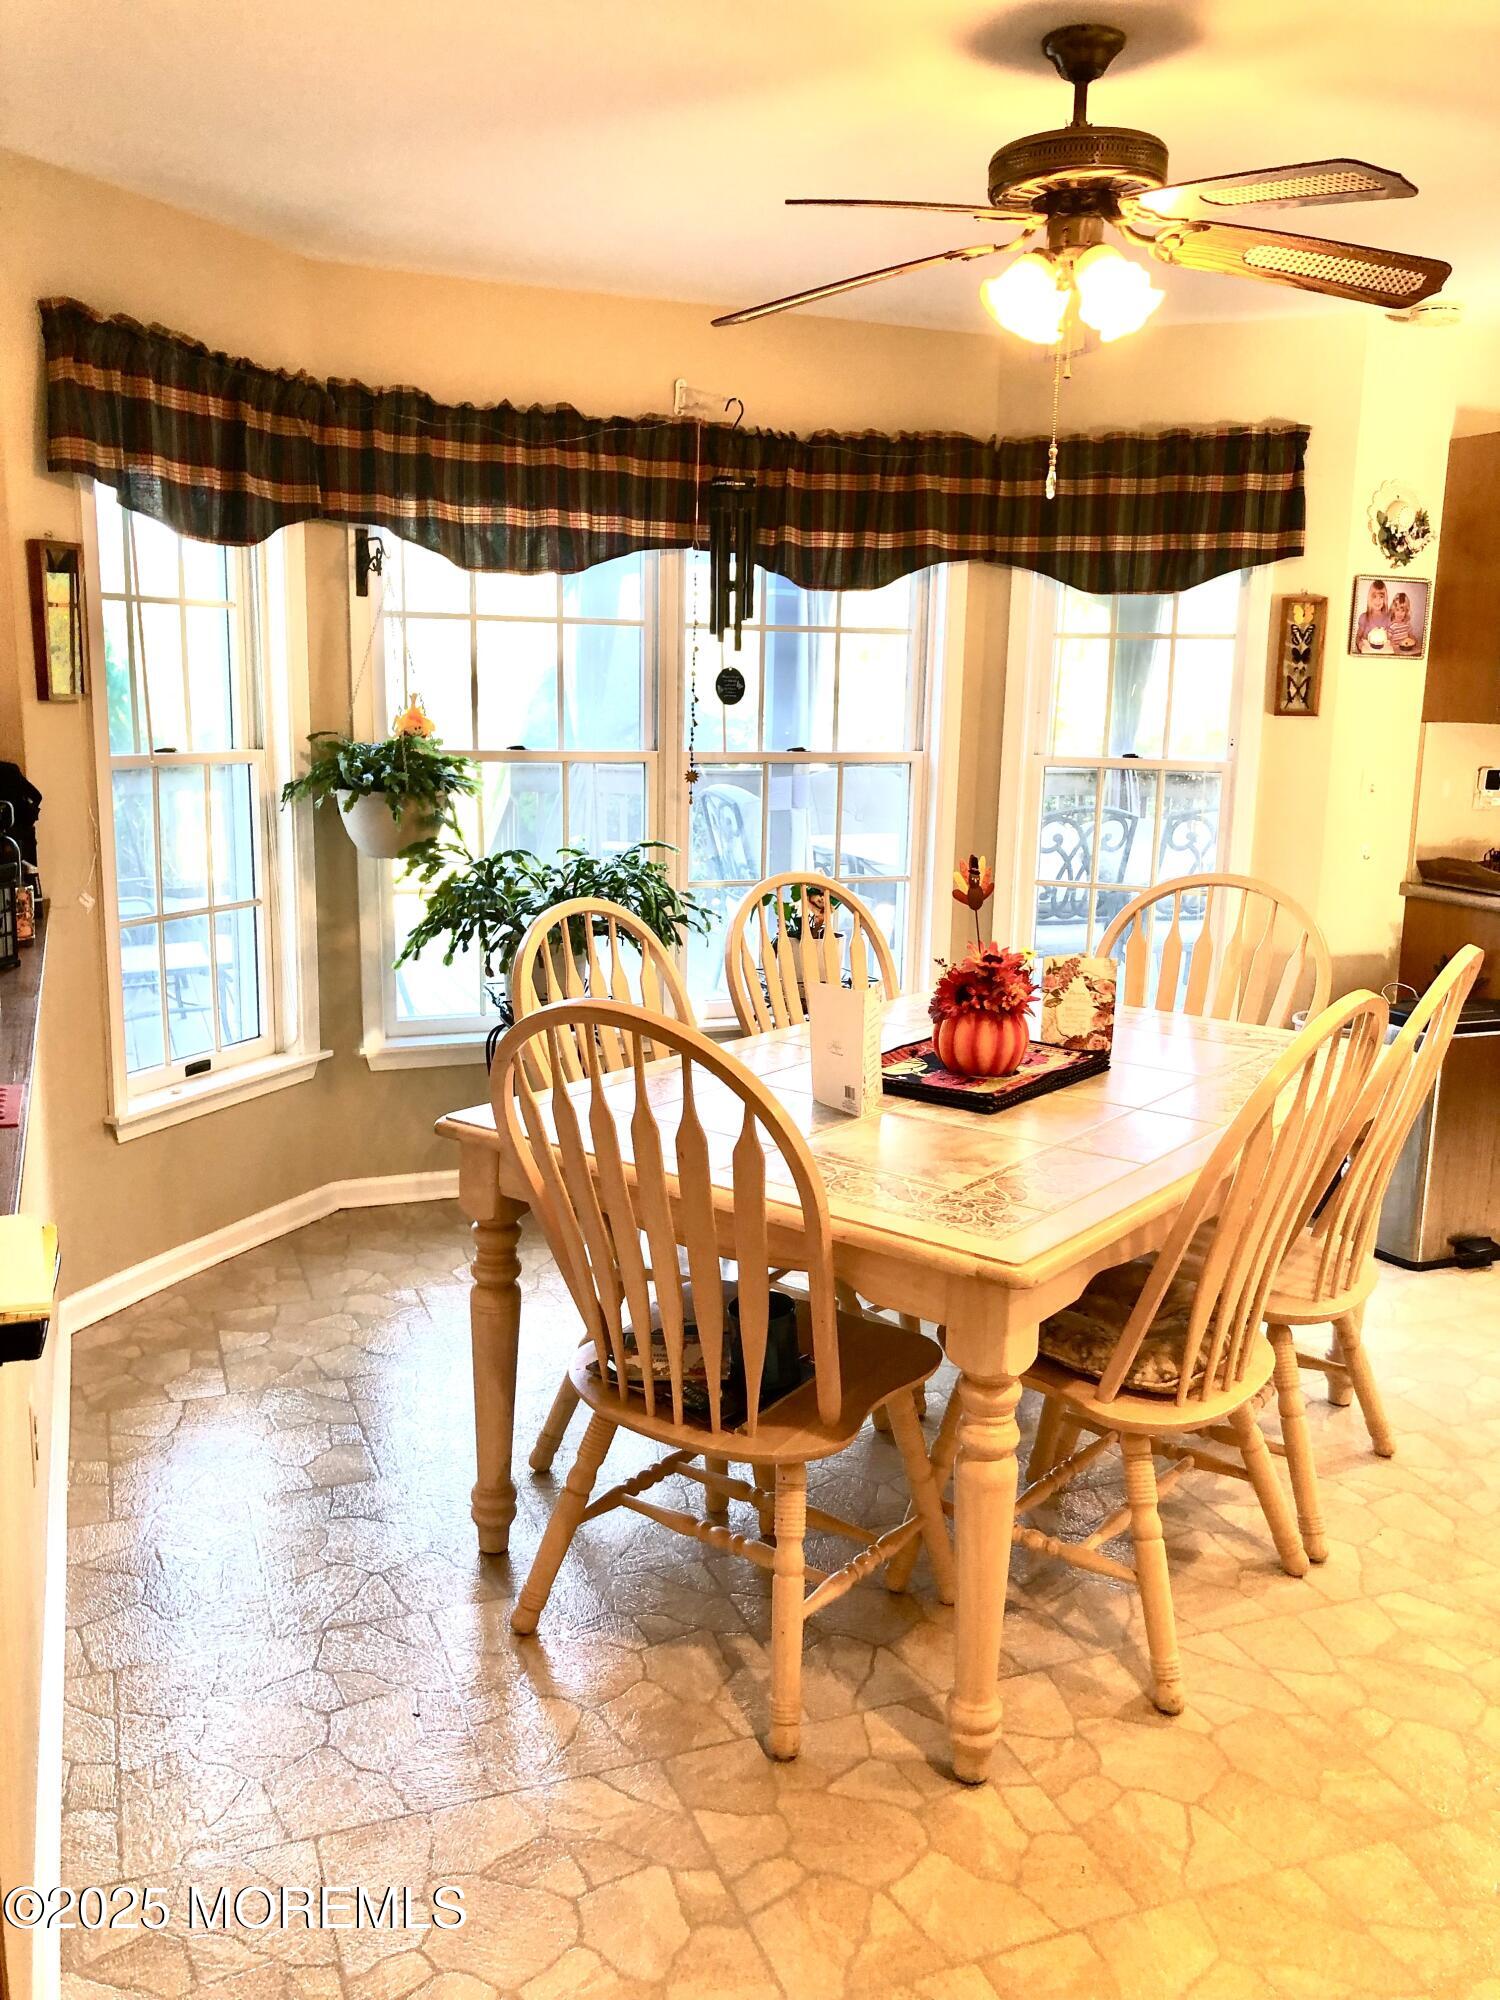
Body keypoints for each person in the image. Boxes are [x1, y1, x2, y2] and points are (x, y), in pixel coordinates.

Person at [1353, 579, 1391, 653]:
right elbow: (1358, 637)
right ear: (1370, 598)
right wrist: (1359, 643)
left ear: (1385, 599)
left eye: (1381, 597)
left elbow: (1389, 638)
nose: (1378, 600)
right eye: (1374, 596)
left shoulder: (1388, 618)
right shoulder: (1364, 617)